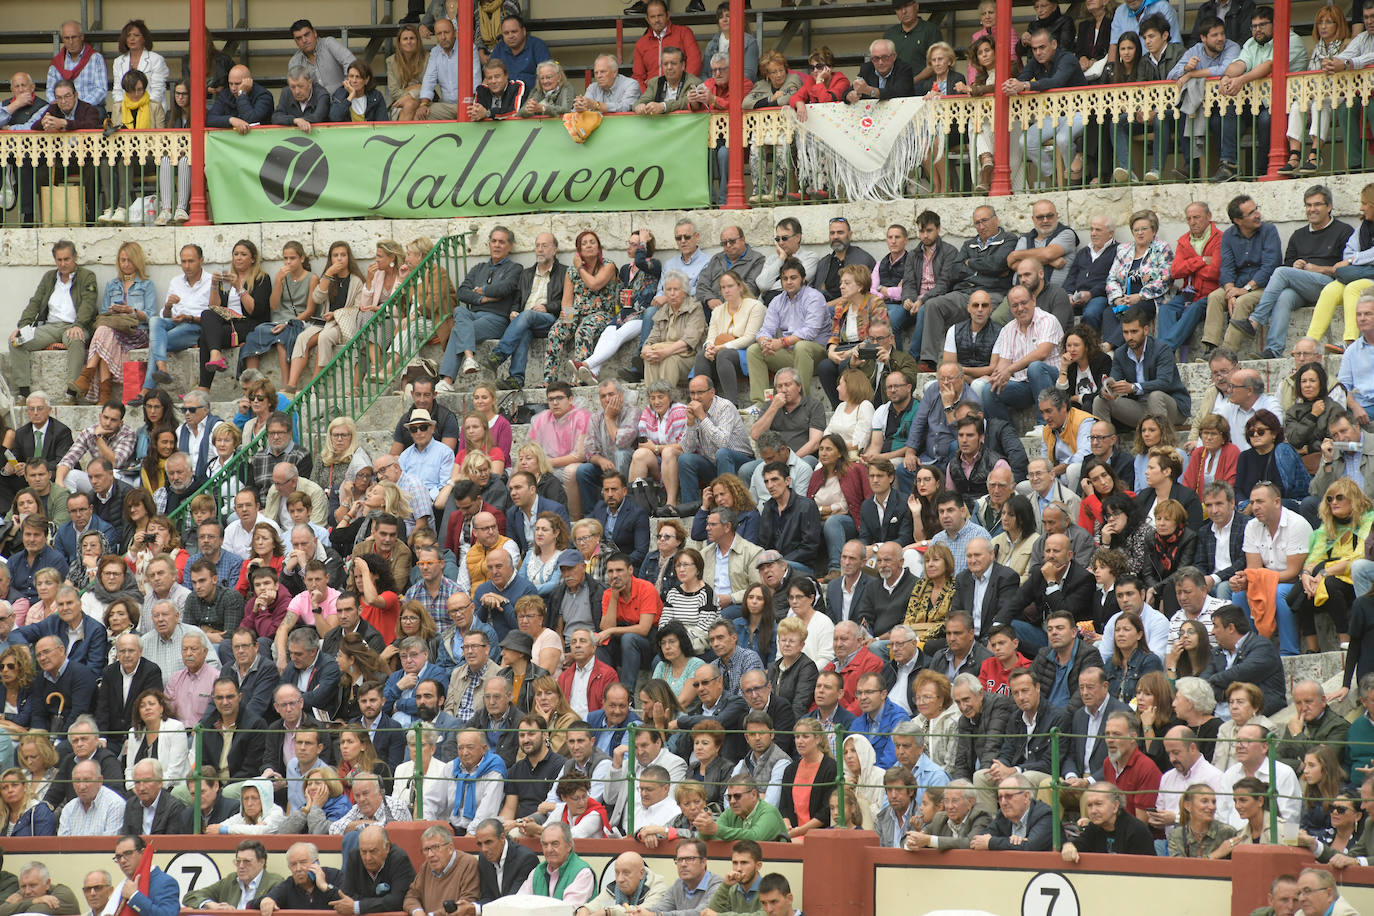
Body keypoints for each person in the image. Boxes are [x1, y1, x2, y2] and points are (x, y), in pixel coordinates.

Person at [1200, 196, 1283, 355]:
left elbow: (1270, 266)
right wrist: (1230, 292)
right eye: (1251, 213)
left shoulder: (1269, 231)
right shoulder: (1228, 236)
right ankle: (1210, 348)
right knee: (1215, 297)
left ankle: (1227, 352)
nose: (1257, 215)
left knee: (1243, 301)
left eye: (1256, 209)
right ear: (1238, 220)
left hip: (1264, 286)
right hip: (1238, 285)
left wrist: (1245, 289)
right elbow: (1227, 267)